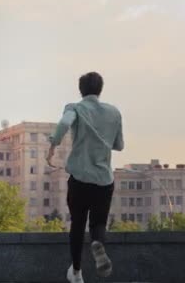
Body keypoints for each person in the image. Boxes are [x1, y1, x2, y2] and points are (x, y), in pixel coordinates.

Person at [47, 72, 124, 283]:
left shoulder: (75, 108)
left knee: (78, 224)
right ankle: (98, 242)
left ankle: (78, 273)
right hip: (104, 180)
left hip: (80, 179)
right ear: (101, 89)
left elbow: (64, 124)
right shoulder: (114, 112)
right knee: (98, 222)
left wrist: (53, 146)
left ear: (80, 90)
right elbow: (119, 145)